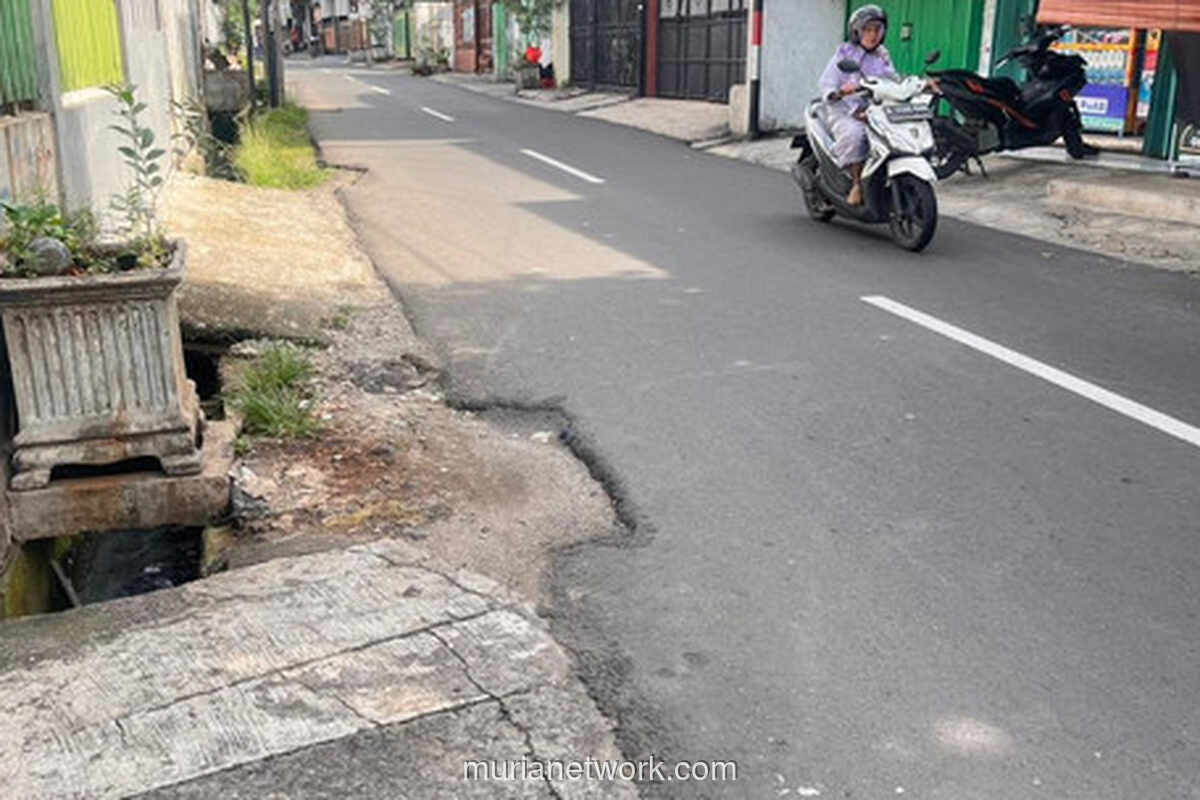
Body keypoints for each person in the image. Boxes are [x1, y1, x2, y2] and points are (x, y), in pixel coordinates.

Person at [818, 5, 899, 206]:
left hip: (874, 109)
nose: (872, 35)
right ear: (857, 31)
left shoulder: (882, 55)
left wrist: (914, 85)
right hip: (845, 110)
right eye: (867, 30)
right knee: (856, 135)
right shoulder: (845, 53)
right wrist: (840, 92)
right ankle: (856, 184)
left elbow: (892, 78)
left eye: (877, 30)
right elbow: (827, 82)